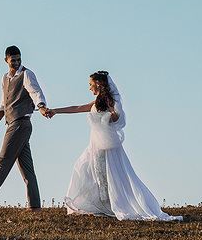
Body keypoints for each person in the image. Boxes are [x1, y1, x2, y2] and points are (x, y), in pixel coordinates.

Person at [46, 71, 182, 221]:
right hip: (95, 144)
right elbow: (78, 108)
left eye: (91, 84)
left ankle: (112, 205)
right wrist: (56, 111)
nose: (89, 88)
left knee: (108, 175)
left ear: (98, 84)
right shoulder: (98, 100)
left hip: (106, 145)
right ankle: (100, 204)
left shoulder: (109, 100)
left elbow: (117, 118)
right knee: (87, 170)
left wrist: (111, 110)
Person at [0, 46, 50, 211]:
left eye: (19, 60)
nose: (17, 63)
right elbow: (3, 104)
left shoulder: (27, 74)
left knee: (2, 162)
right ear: (6, 60)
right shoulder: (5, 79)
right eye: (13, 60)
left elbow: (35, 92)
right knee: (26, 167)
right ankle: (35, 206)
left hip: (21, 123)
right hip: (12, 123)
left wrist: (41, 106)